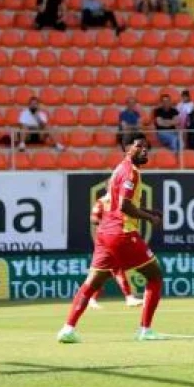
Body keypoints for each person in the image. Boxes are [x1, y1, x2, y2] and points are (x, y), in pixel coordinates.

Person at [57, 134, 164, 343]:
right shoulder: (130, 173)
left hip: (105, 233)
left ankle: (68, 328)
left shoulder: (118, 170)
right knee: (155, 276)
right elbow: (124, 206)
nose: (144, 150)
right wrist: (150, 217)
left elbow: (119, 204)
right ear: (126, 149)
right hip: (122, 233)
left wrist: (147, 210)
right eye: (139, 146)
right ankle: (145, 330)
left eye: (146, 147)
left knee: (92, 282)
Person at [89, 194, 145, 308]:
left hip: (117, 238)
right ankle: (129, 297)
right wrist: (108, 224)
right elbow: (93, 219)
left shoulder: (122, 202)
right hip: (107, 239)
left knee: (106, 272)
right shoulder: (102, 201)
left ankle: (91, 297)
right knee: (117, 269)